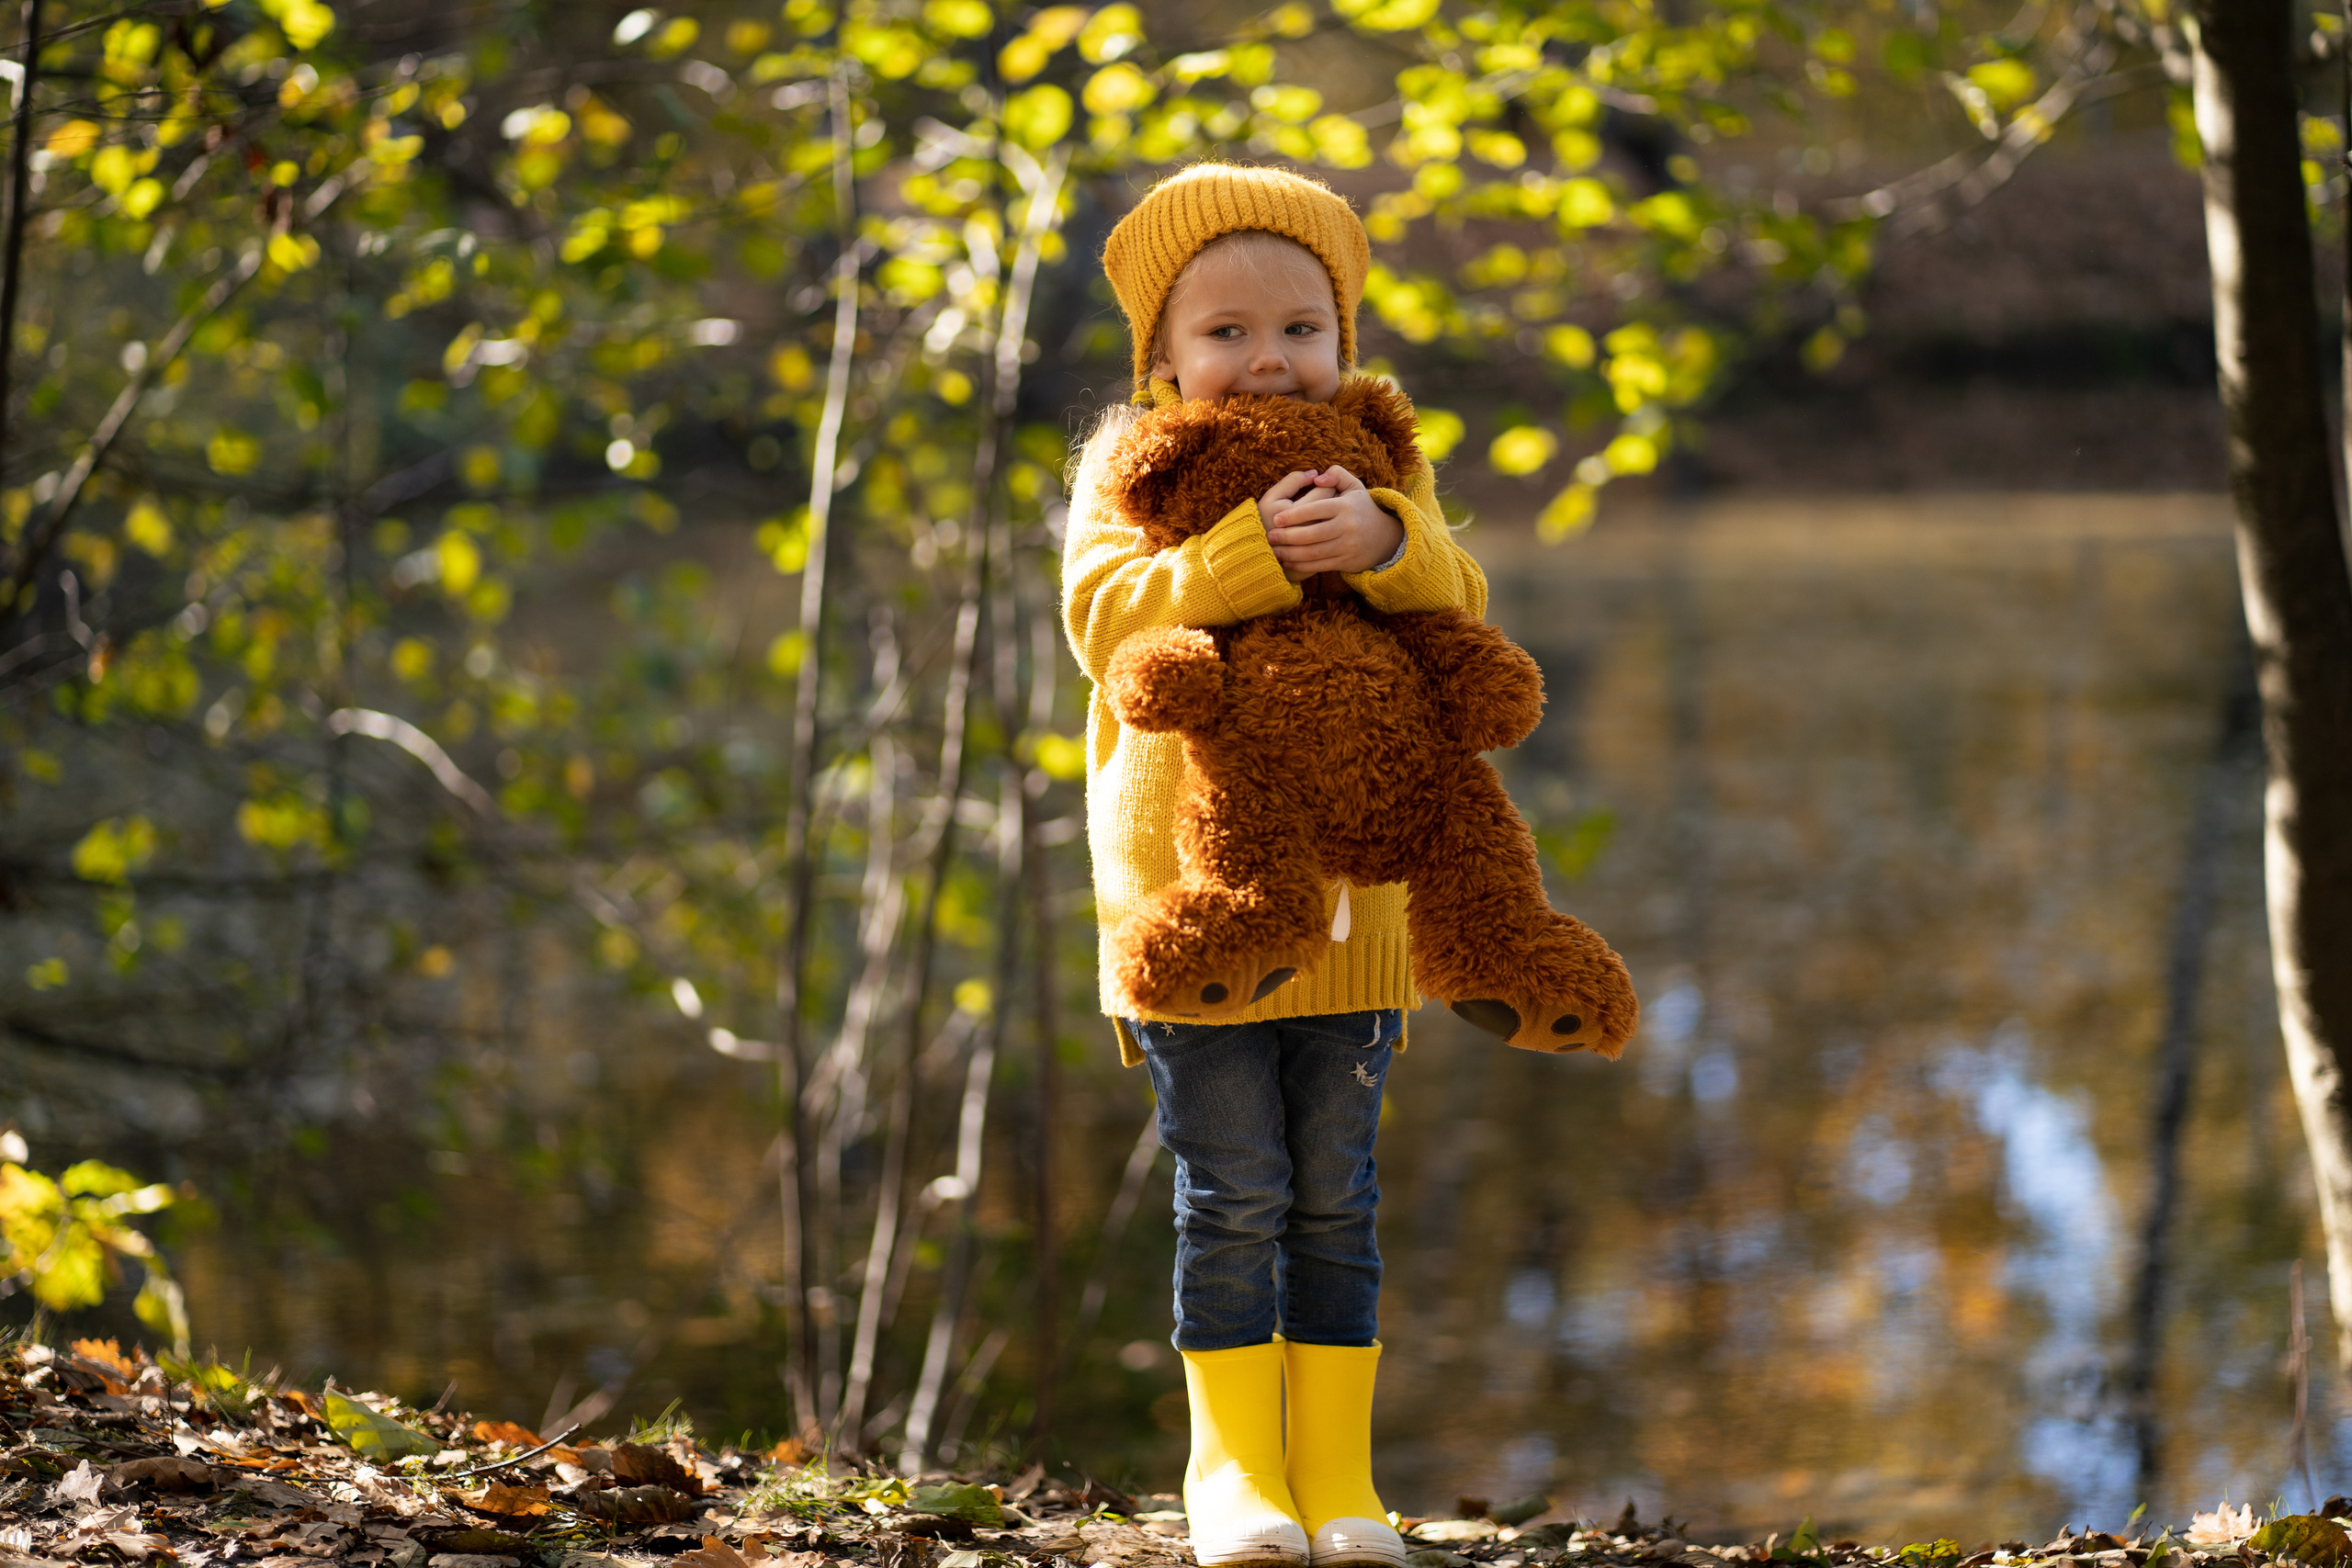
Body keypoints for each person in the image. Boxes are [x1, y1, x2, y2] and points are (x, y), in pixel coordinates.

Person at [1060, 164, 1496, 1568]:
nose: (1268, 360)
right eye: (1227, 333)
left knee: (1337, 1195)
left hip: (1360, 915)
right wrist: (1238, 557)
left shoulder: (1376, 465)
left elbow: (1461, 595)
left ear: (1345, 344)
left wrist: (1382, 543)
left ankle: (1342, 1482)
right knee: (1232, 1191)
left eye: (1301, 329)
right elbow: (1104, 619)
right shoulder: (1135, 470)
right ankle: (1232, 1473)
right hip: (1201, 911)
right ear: (1163, 360)